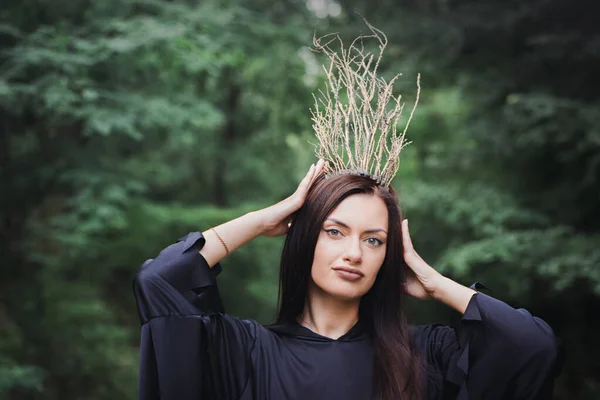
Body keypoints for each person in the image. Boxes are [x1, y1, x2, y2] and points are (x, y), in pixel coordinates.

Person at [133, 22, 563, 400]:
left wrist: (434, 284)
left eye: (374, 240)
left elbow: (532, 347)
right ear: (305, 239)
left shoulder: (425, 358)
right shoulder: (245, 352)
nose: (354, 252)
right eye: (334, 231)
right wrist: (263, 219)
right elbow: (161, 283)